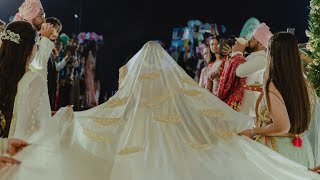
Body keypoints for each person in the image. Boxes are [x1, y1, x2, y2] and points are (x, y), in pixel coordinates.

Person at [1, 41, 319, 179]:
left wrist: (72, 118)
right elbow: (201, 117)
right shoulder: (174, 106)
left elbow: (106, 116)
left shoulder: (128, 105)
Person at [239, 32, 316, 168]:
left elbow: (282, 126)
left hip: (278, 151)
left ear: (273, 54)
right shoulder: (306, 84)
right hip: (302, 149)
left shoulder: (273, 84)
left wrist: (253, 131)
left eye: (268, 50)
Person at [236, 23, 272, 117]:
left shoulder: (262, 59)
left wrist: (238, 52)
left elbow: (239, 72)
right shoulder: (254, 57)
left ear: (261, 44)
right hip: (244, 108)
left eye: (253, 38)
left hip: (250, 111)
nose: (250, 40)